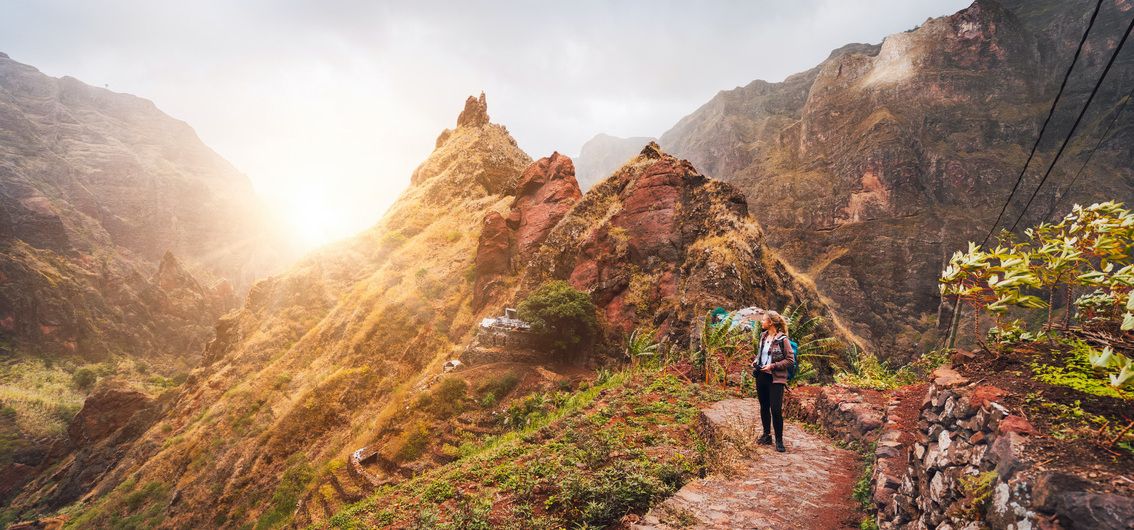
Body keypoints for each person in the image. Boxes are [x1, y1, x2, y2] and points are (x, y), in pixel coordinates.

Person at [752, 310, 794, 452]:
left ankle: (779, 440)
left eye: (763, 320)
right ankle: (766, 435)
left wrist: (773, 366)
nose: (761, 322)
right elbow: (761, 354)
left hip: (775, 379)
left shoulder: (783, 340)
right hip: (761, 376)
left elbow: (790, 360)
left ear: (771, 322)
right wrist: (756, 362)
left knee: (775, 410)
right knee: (764, 407)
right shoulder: (763, 336)